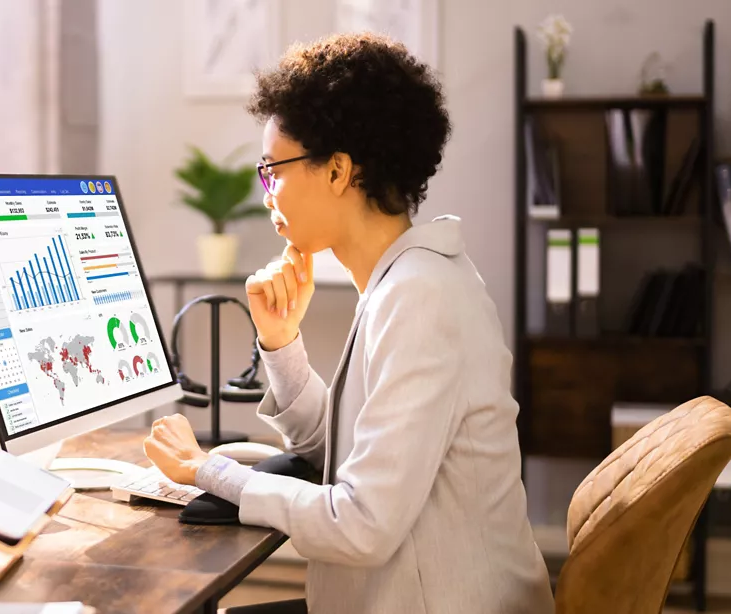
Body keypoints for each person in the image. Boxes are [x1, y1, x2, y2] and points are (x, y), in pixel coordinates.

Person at [143, 33, 555, 614]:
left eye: (272, 171)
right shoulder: (403, 282)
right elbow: (340, 451)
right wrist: (281, 344)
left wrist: (204, 470)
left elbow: (360, 523)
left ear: (337, 171)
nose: (267, 195)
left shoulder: (421, 300)